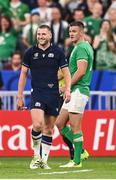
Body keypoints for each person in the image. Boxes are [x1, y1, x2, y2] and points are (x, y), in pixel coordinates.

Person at [17, 24, 71, 169]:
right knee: (37, 125)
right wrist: (20, 95)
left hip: (53, 94)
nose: (40, 37)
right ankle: (36, 156)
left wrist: (68, 89)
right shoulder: (30, 52)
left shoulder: (58, 52)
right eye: (39, 34)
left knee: (48, 129)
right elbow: (23, 74)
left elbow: (66, 73)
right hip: (37, 93)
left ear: (50, 36)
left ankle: (44, 161)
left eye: (43, 34)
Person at [56, 21, 94, 168]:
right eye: (70, 31)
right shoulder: (79, 47)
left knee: (75, 126)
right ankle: (82, 150)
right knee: (59, 123)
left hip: (78, 90)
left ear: (82, 32)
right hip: (73, 90)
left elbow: (81, 71)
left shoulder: (82, 48)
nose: (71, 34)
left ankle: (76, 160)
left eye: (74, 31)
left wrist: (67, 86)